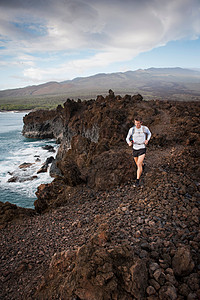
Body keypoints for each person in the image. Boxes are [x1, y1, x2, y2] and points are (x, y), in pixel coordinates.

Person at [126, 117, 151, 186]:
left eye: (138, 123)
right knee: (138, 164)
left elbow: (149, 134)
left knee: (139, 164)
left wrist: (147, 140)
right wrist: (129, 143)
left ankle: (137, 181)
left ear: (141, 123)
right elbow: (127, 137)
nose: (137, 125)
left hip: (142, 147)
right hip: (135, 148)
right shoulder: (132, 129)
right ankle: (143, 165)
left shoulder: (144, 128)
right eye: (136, 123)